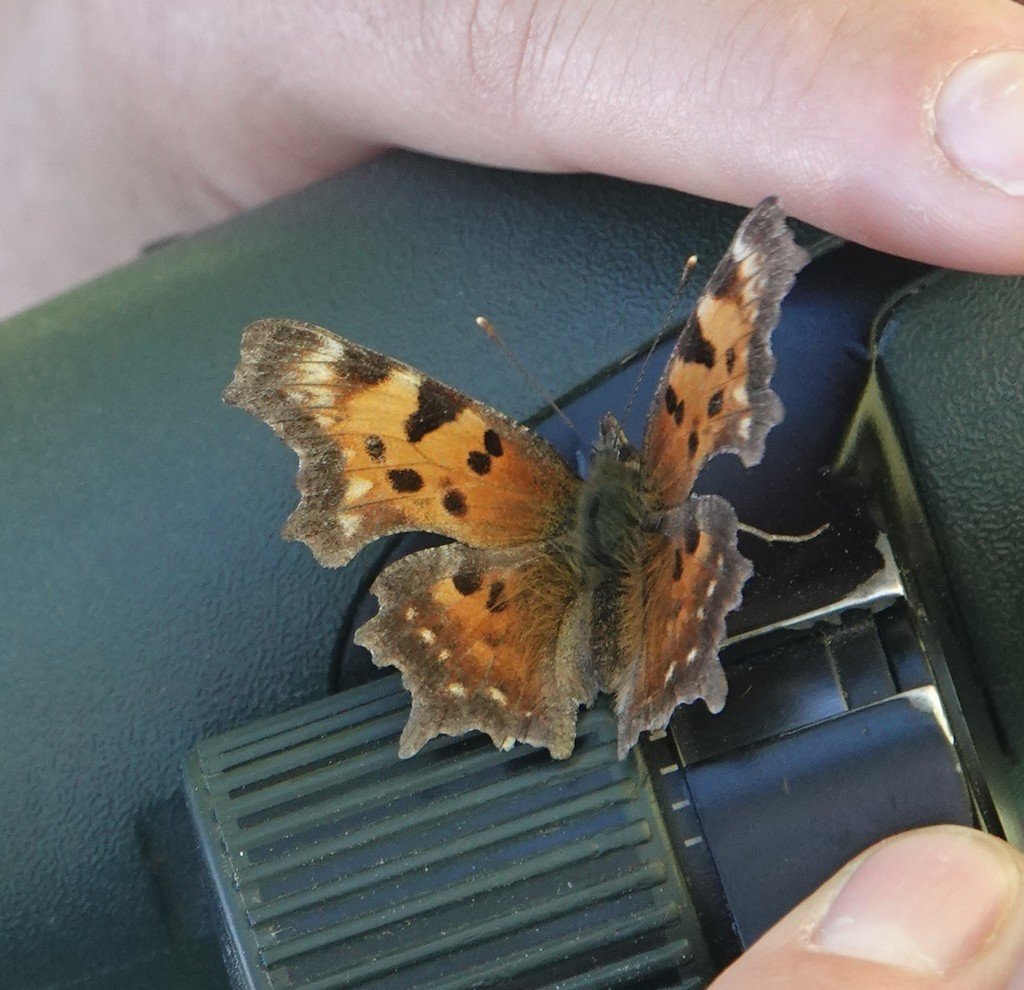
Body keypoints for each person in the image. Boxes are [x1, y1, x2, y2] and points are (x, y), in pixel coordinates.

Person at [4, 3, 1024, 986]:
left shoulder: (506, 465)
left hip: (542, 578)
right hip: (660, 570)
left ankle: (572, 680)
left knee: (648, 549)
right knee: (702, 533)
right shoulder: (665, 437)